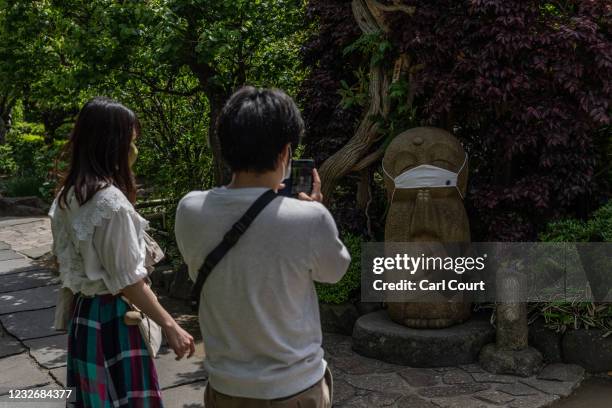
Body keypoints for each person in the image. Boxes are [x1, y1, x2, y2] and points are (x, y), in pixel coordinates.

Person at [175, 87, 351, 407]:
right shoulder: (309, 218)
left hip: (226, 387)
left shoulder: (189, 210)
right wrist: (314, 208)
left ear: (225, 146)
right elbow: (335, 272)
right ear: (285, 153)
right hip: (295, 387)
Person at [49, 97, 195, 407]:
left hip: (85, 316)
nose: (134, 150)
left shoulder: (68, 195)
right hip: (114, 319)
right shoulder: (110, 203)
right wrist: (171, 326)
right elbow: (128, 280)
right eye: (130, 141)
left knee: (97, 399)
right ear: (113, 144)